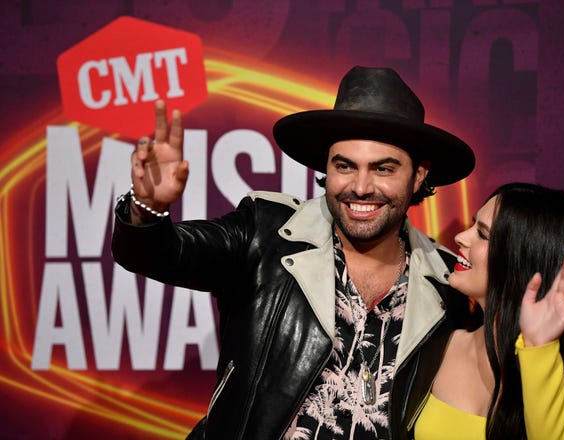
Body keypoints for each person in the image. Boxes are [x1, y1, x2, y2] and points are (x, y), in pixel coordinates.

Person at [111, 66, 476, 439]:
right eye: (344, 166)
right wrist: (147, 209)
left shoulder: (450, 283)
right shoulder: (266, 233)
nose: (361, 187)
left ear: (418, 175)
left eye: (383, 169)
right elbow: (156, 254)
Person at [414, 182, 564, 439]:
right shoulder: (443, 345)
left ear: (524, 261)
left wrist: (538, 349)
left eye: (483, 235)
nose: (460, 237)